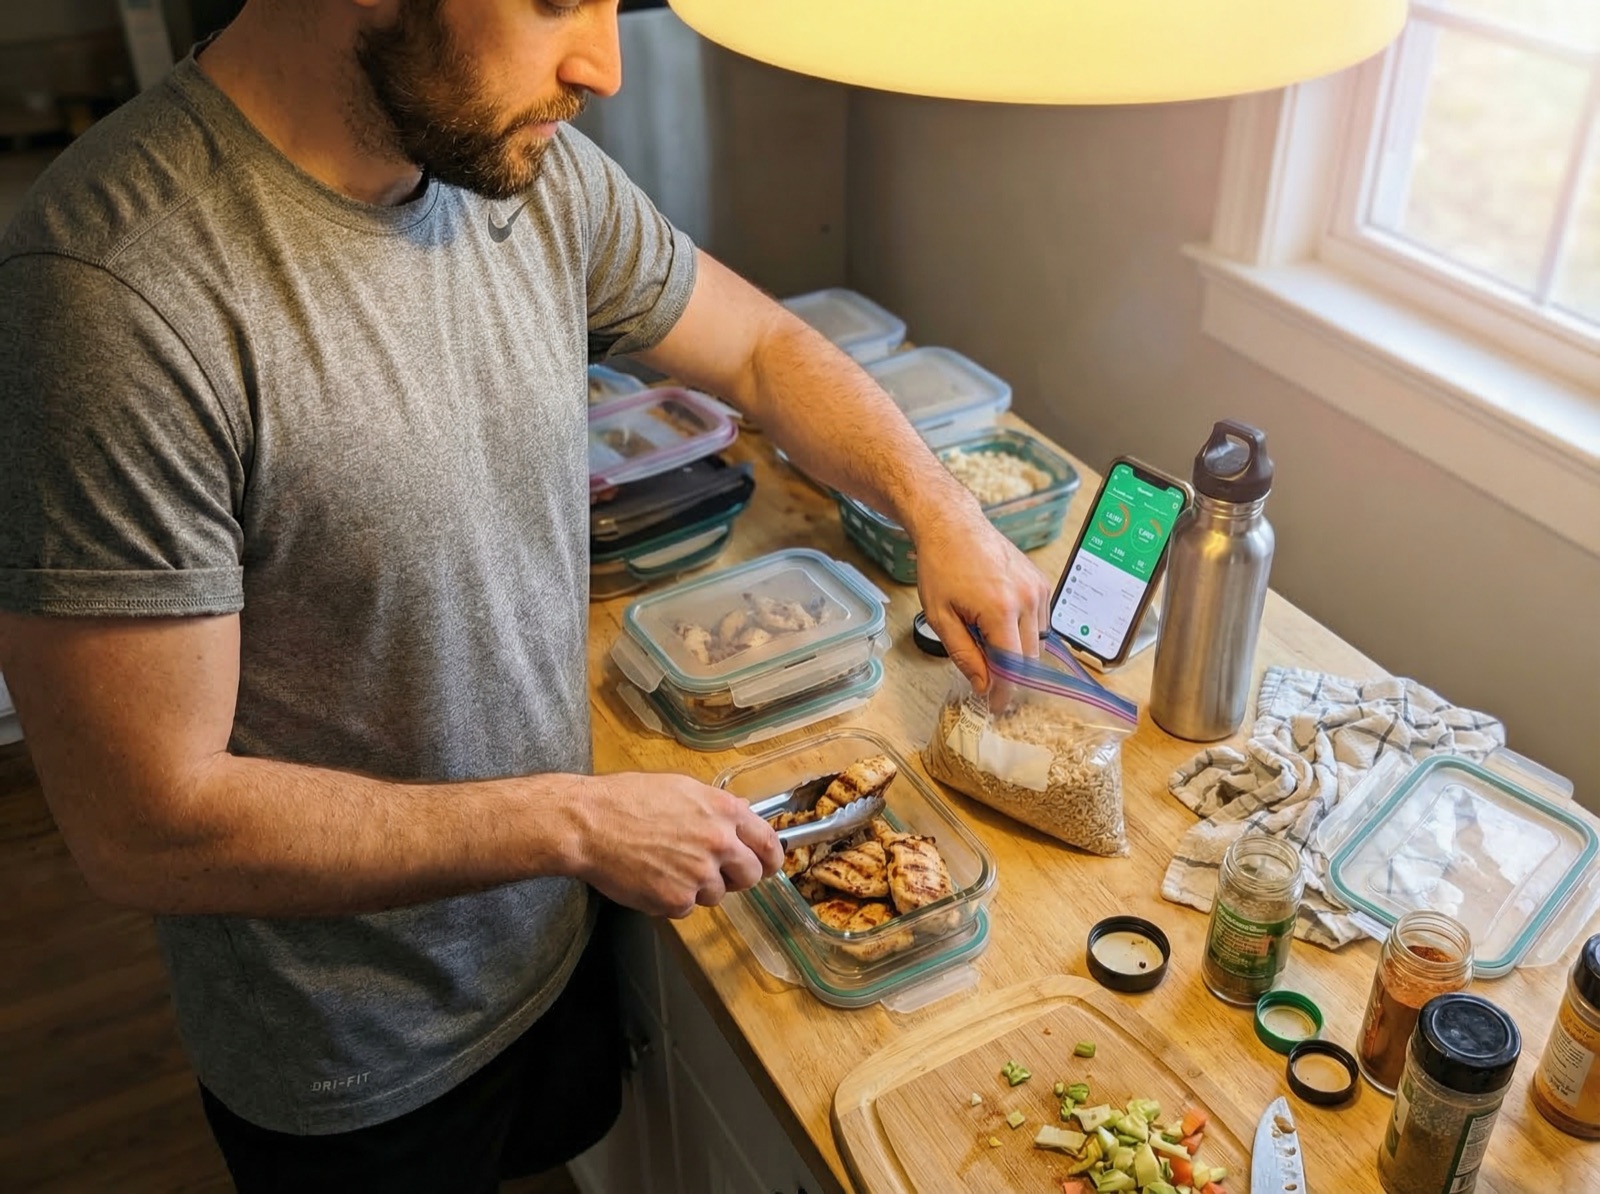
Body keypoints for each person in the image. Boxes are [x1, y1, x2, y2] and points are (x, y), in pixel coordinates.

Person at [0, 0, 1050, 1189]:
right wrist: (573, 821)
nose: (601, 63)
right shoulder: (112, 290)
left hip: (548, 937)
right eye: (555, 1)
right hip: (354, 1057)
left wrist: (938, 506)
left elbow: (760, 348)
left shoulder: (518, 166)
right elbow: (145, 827)